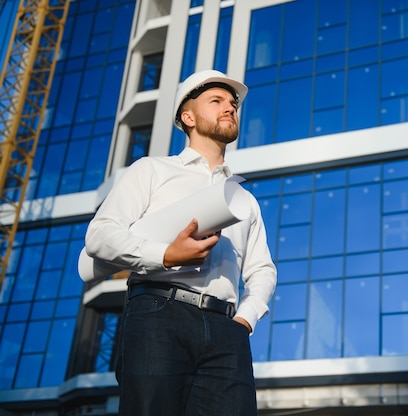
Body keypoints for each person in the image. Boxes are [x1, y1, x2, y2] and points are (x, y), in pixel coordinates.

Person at [83, 70, 277, 415]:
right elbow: (100, 235)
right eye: (216, 101)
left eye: (232, 103)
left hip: (226, 328)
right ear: (188, 117)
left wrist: (244, 320)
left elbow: (262, 269)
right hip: (158, 314)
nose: (230, 108)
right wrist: (166, 255)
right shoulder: (152, 170)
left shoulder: (244, 199)